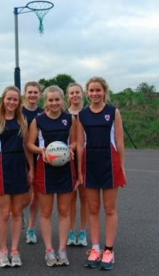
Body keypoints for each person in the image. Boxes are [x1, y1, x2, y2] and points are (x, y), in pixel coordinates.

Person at [77, 77, 126, 270]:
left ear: (104, 91)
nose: (95, 93)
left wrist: (121, 167)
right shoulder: (82, 115)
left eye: (98, 90)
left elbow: (120, 142)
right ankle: (95, 248)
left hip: (109, 164)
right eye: (91, 90)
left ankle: (109, 250)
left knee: (110, 209)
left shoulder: (113, 112)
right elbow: (80, 144)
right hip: (89, 165)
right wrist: (80, 170)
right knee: (93, 208)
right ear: (87, 93)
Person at [27, 85, 77, 267]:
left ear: (62, 100)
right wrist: (43, 151)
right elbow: (29, 144)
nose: (54, 103)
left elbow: (76, 141)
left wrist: (67, 150)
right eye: (50, 100)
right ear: (45, 101)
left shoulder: (69, 119)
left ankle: (62, 249)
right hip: (45, 170)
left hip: (65, 170)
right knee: (46, 212)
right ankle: (49, 250)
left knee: (64, 211)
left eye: (57, 99)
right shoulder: (39, 121)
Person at [0, 86, 33, 268]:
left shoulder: (23, 120)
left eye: (15, 99)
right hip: (1, 169)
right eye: (9, 99)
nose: (12, 102)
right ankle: (3, 250)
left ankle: (15, 250)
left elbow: (26, 147)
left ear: (19, 102)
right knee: (4, 213)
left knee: (17, 213)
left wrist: (30, 169)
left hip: (19, 169)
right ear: (3, 100)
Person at [66, 83, 88, 247]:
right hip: (68, 158)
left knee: (85, 197)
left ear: (82, 94)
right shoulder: (64, 115)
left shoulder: (88, 113)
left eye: (77, 92)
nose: (75, 95)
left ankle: (84, 231)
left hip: (87, 157)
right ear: (68, 95)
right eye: (72, 93)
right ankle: (71, 231)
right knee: (71, 198)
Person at [22, 81, 44, 244]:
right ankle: (19, 213)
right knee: (23, 198)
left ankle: (31, 229)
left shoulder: (43, 114)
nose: (32, 95)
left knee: (35, 197)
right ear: (25, 93)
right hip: (17, 158)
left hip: (36, 157)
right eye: (30, 92)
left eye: (35, 92)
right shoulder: (17, 111)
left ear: (39, 95)